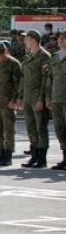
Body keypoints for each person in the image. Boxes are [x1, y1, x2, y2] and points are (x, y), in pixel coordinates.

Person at [18, 29, 52, 168]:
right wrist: (20, 97)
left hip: (38, 97)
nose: (24, 41)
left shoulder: (44, 57)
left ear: (33, 40)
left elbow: (46, 80)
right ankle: (34, 155)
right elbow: (23, 79)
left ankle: (42, 158)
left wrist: (41, 99)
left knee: (40, 128)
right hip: (28, 97)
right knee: (31, 127)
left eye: (26, 39)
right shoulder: (28, 57)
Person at [45, 31, 66, 170]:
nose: (61, 40)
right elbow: (50, 79)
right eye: (60, 38)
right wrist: (48, 97)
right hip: (57, 98)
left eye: (64, 38)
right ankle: (65, 158)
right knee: (60, 130)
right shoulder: (55, 57)